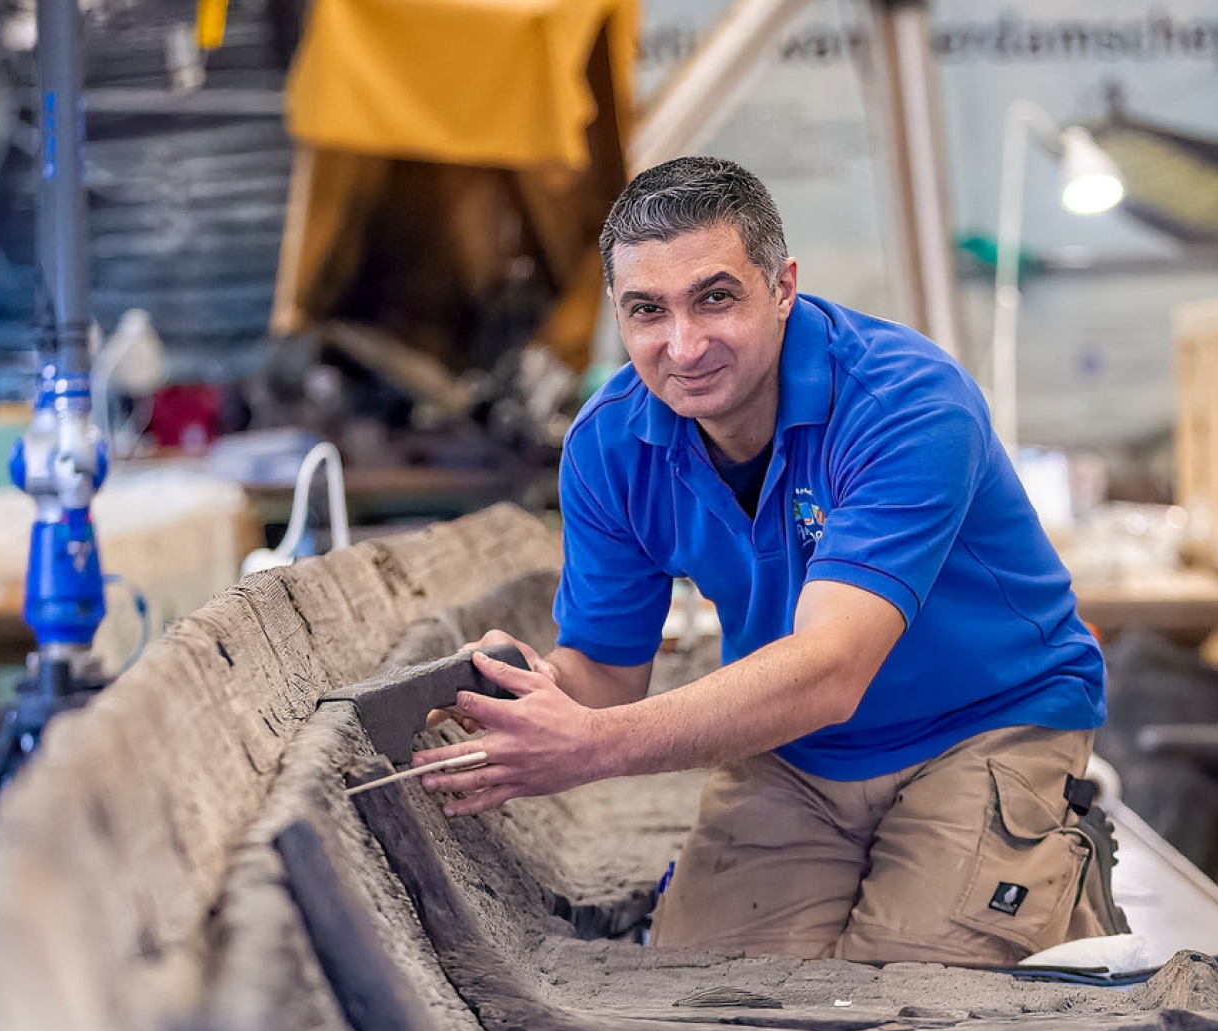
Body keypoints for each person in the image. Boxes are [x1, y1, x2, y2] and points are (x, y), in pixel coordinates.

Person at [416, 156, 1114, 964]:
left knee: (919, 1009)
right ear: (618, 312)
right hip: (796, 752)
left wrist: (590, 747)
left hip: (982, 727)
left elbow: (830, 669)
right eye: (648, 311)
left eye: (715, 298)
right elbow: (606, 674)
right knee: (701, 1001)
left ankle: (1063, 869)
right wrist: (527, 698)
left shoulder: (908, 403)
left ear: (782, 287)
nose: (683, 346)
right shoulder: (609, 444)